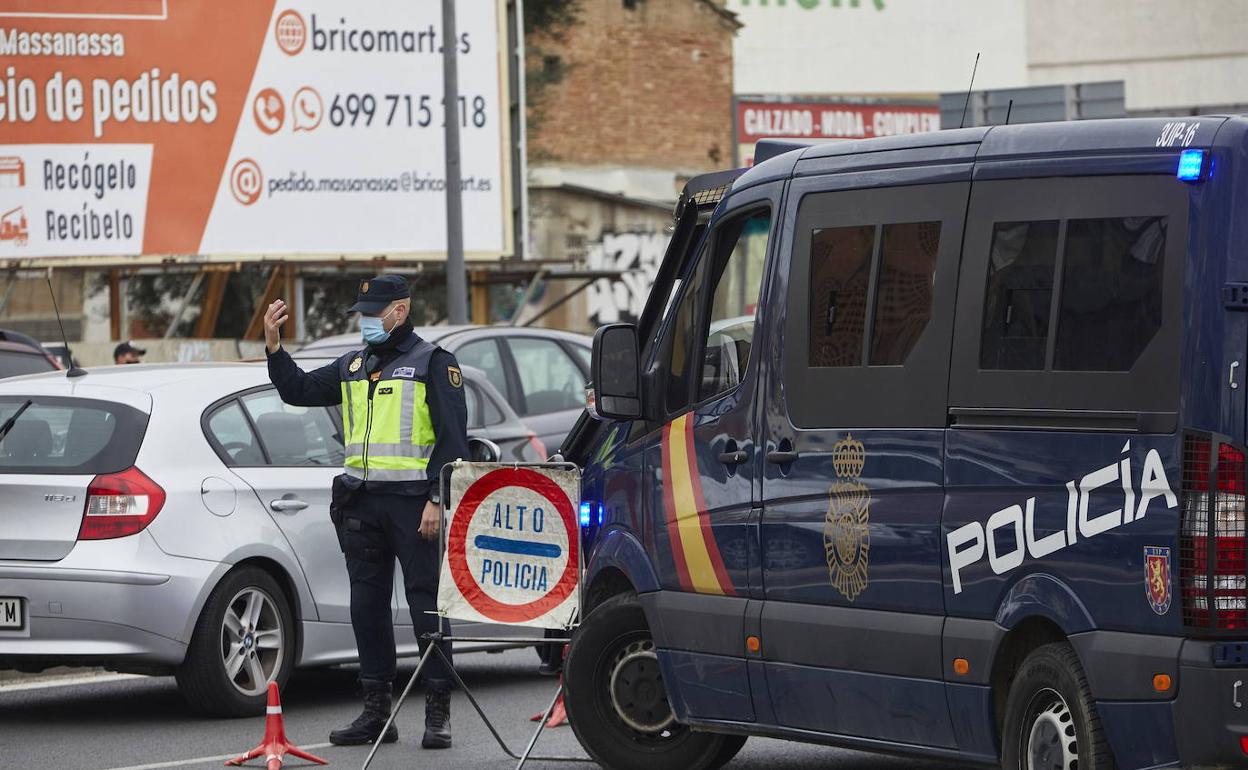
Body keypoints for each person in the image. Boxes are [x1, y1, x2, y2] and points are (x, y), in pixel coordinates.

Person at [263, 275, 468, 749]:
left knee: (426, 607)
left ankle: (438, 713)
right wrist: (275, 347)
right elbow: (297, 390)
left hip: (416, 506)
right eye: (364, 313)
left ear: (401, 309)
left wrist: (437, 500)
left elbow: (453, 440)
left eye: (376, 312)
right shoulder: (355, 365)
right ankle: (377, 713)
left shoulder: (433, 363)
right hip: (363, 503)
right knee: (366, 610)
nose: (368, 321)